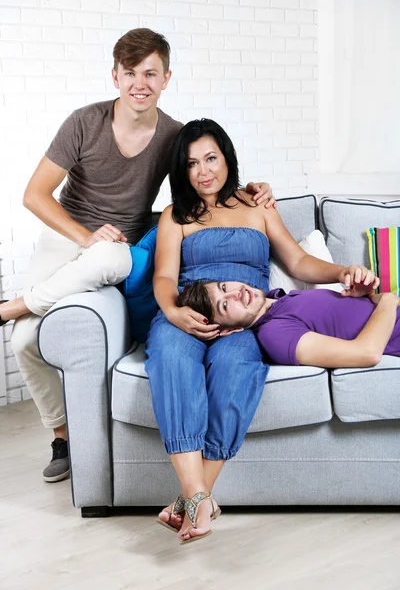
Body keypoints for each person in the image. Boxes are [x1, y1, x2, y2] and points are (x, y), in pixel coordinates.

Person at [0, 29, 274, 484]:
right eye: (130, 73)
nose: (139, 83)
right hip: (69, 231)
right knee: (24, 343)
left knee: (109, 259)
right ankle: (62, 436)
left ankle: (11, 307)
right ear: (115, 76)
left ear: (167, 78)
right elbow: (34, 195)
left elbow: (204, 181)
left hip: (118, 247)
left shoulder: (172, 136)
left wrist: (248, 191)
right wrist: (85, 236)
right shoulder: (83, 122)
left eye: (150, 73)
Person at [144, 117, 378, 544]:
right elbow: (163, 276)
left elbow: (299, 263)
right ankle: (199, 496)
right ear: (182, 171)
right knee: (171, 359)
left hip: (243, 318)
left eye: (211, 158)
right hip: (187, 309)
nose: (204, 171)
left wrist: (343, 270)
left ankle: (193, 499)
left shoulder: (258, 206)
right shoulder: (174, 215)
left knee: (236, 369)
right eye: (193, 163)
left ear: (227, 158)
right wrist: (173, 313)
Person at [177, 281, 400, 370]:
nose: (236, 293)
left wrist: (371, 296)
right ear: (228, 330)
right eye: (225, 305)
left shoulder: (280, 298)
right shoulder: (275, 333)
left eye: (224, 286)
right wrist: (389, 299)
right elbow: (367, 353)